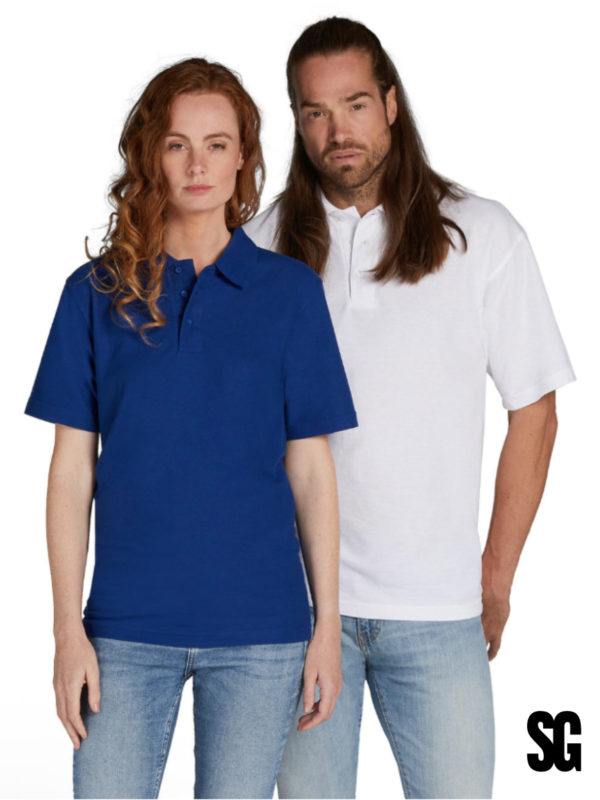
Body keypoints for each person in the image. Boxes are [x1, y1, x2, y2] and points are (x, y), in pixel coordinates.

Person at [243, 16, 576, 800]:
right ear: (297, 120)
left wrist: (495, 576)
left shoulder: (483, 235)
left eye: (356, 105)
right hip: (296, 613)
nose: (338, 132)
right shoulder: (257, 247)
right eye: (316, 112)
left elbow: (535, 410)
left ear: (391, 103)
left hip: (438, 612)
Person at [24, 57, 358, 799]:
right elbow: (71, 472)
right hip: (121, 632)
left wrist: (327, 629)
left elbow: (311, 471)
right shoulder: (93, 293)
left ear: (244, 158)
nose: (197, 165)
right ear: (152, 155)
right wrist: (66, 631)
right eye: (177, 145)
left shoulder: (290, 294)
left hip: (262, 634)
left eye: (216, 144)